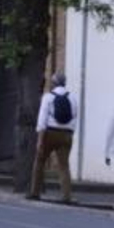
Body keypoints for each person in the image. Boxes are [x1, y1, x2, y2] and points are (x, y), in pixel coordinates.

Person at [29, 72, 77, 203]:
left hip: (50, 133)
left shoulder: (48, 97)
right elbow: (74, 117)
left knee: (39, 162)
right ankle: (66, 196)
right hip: (66, 134)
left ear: (53, 83)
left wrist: (40, 139)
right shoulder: (73, 97)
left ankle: (35, 192)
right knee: (64, 166)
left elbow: (42, 119)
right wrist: (70, 133)